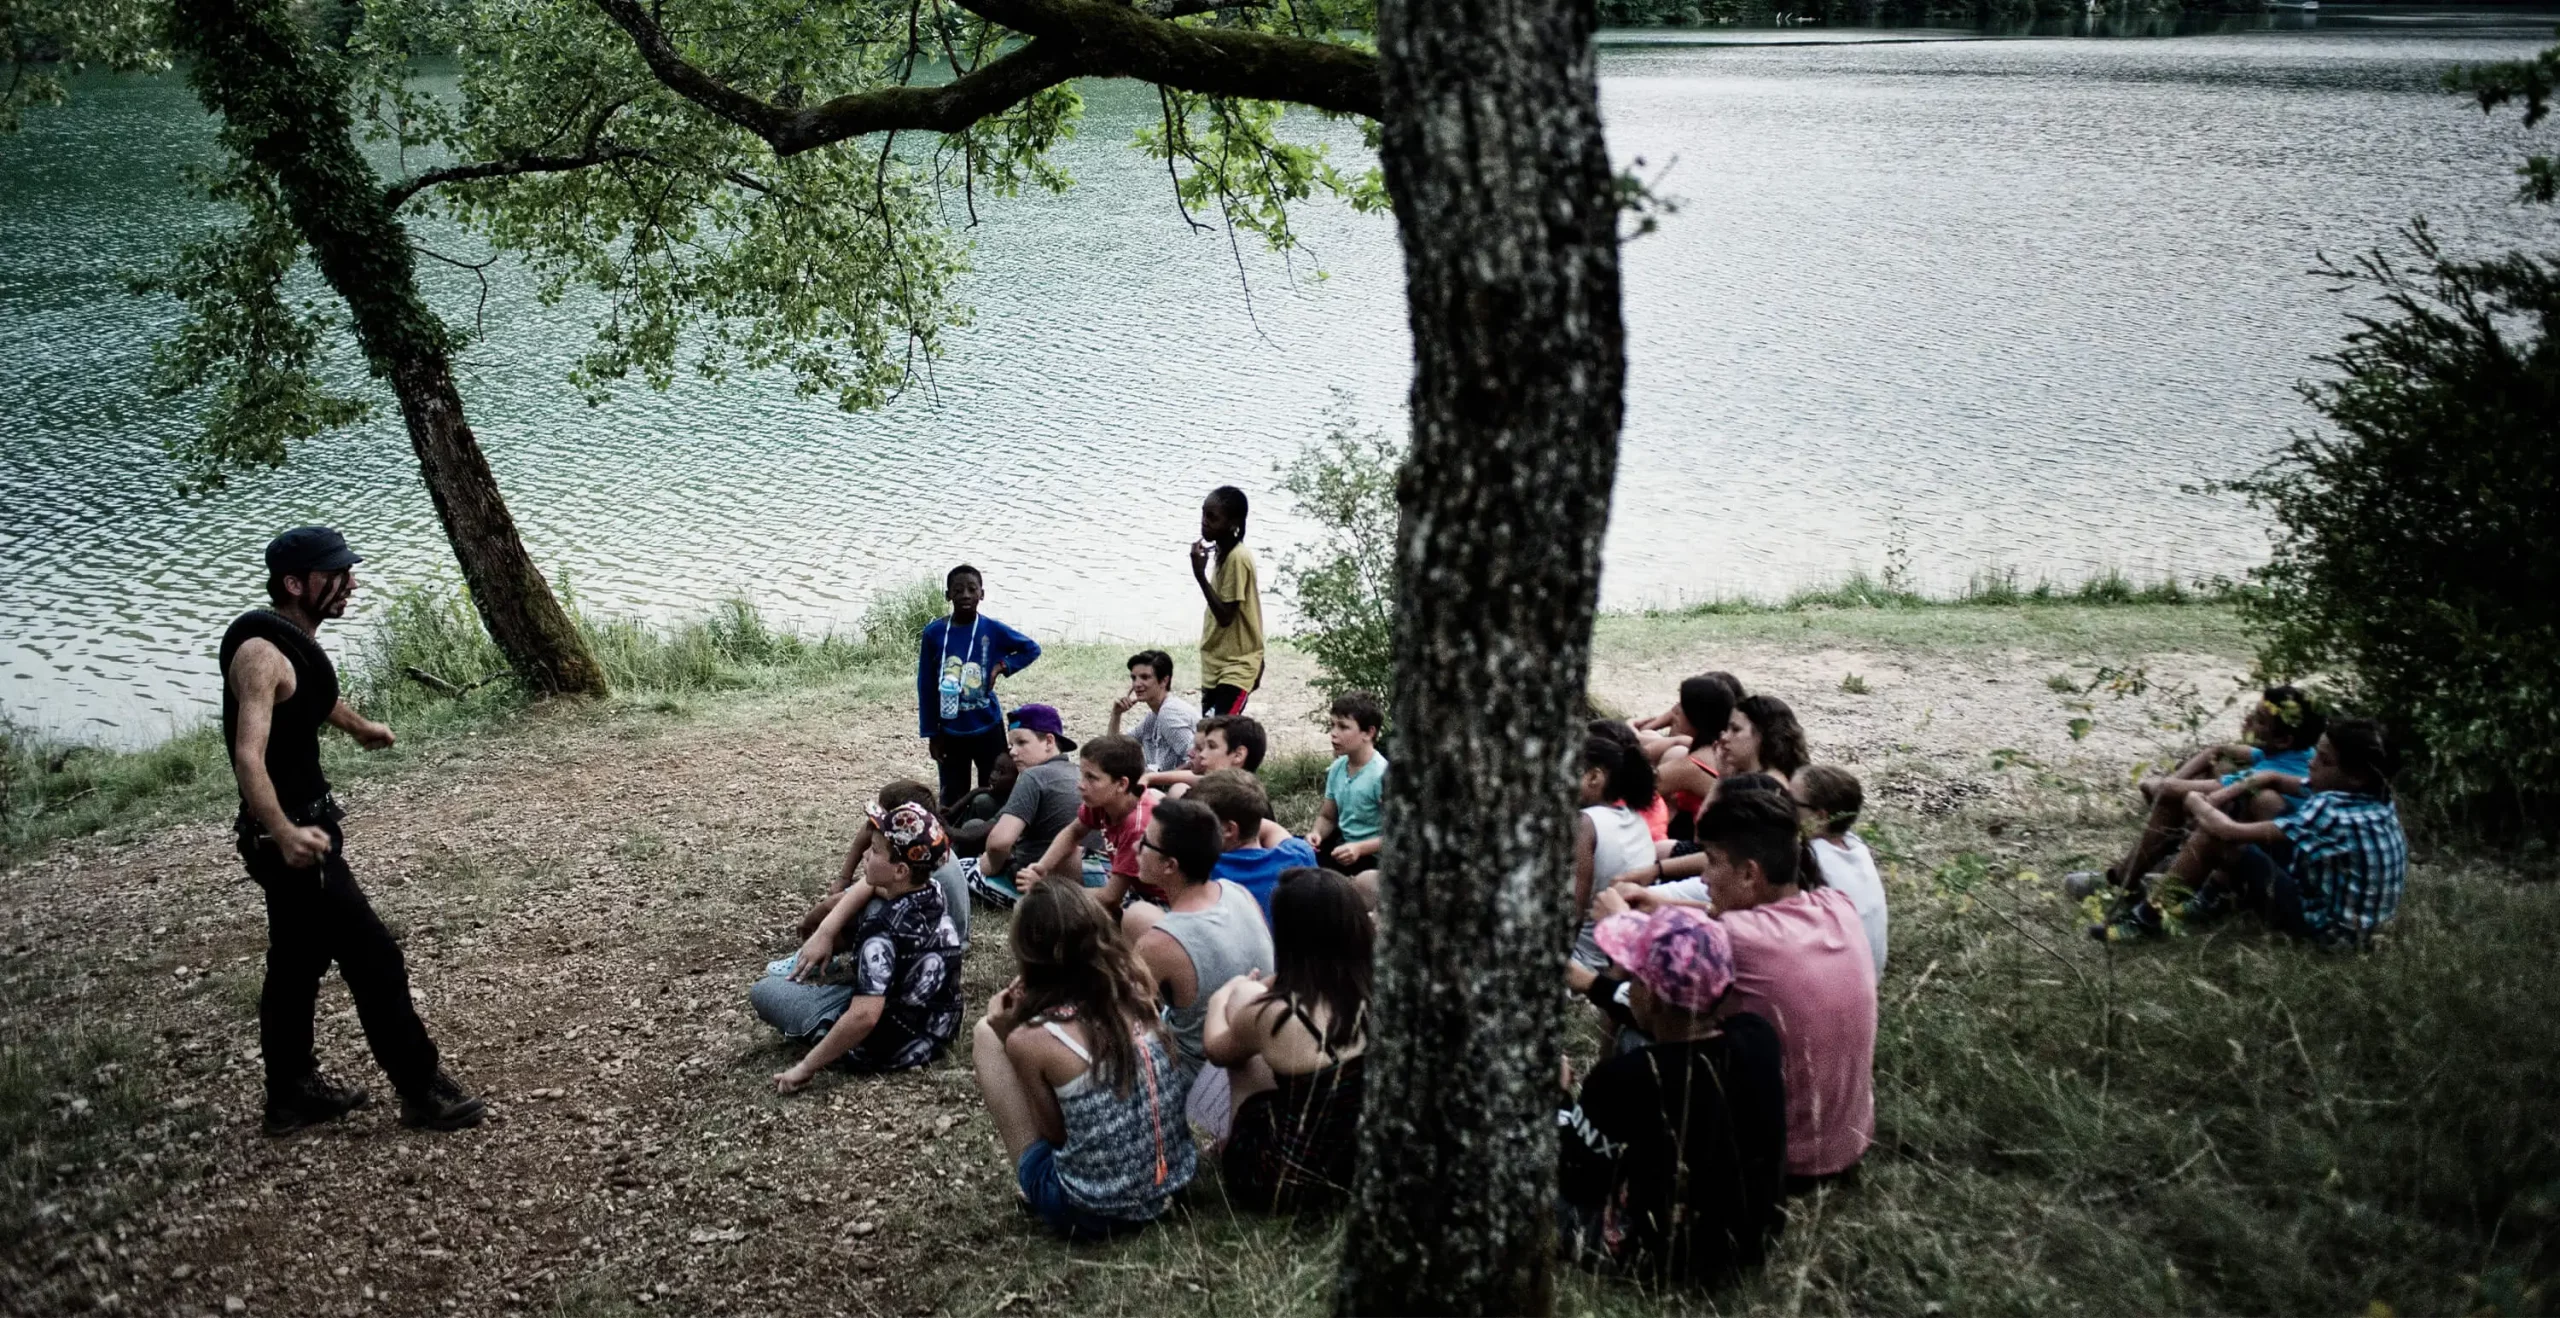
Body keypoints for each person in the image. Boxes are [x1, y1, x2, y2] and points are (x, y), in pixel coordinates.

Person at [220, 526, 483, 1134]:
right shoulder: (260, 655)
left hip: (297, 835)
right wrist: (285, 832)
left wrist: (360, 727)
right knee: (374, 958)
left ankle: (290, 1096)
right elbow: (248, 757)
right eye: (336, 574)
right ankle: (421, 1089)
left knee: (296, 960)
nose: (351, 584)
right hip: (290, 844)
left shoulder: (289, 644)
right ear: (295, 583)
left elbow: (309, 695)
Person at [1599, 789, 1875, 1187]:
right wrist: (1659, 903)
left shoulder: (1733, 938)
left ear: (1749, 873)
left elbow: (1649, 979)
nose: (1705, 878)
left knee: (1638, 1032)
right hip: (1847, 1142)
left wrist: (1620, 918)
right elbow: (1735, 924)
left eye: (1712, 862)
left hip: (1783, 1163)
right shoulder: (1836, 905)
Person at [1558, 906, 1787, 1283]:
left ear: (1654, 999)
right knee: (1634, 1038)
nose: (1629, 982)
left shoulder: (1625, 1080)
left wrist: (1561, 1101)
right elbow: (1672, 1025)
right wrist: (1596, 986)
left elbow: (1573, 1175)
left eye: (1636, 977)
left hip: (1660, 1263)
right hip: (1748, 1242)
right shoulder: (1758, 1036)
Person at [970, 882, 1198, 1240]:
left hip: (1092, 1213)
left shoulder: (1031, 1040)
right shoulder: (1136, 991)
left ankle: (1034, 1192)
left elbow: (1055, 1135)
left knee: (985, 1033)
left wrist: (1007, 1032)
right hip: (1172, 1185)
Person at [2100, 718, 2407, 948]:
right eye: (2316, 753)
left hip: (2328, 932)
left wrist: (2196, 802)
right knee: (2262, 801)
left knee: (2214, 838)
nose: (2311, 763)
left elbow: (2228, 831)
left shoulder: (2333, 810)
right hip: (2358, 923)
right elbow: (2271, 777)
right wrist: (2220, 797)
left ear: (2355, 776)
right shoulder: (2372, 797)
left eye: (2324, 760)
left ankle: (2146, 919)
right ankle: (2207, 897)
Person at [754, 802, 967, 1091]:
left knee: (765, 991)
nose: (865, 854)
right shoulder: (932, 891)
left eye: (875, 851)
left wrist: (806, 1067)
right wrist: (827, 930)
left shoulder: (880, 930)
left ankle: (827, 1034)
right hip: (937, 1032)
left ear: (900, 870)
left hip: (887, 1048)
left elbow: (864, 1017)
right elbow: (875, 886)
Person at [1203, 867, 1372, 1215]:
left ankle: (1231, 1144)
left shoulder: (1277, 1015)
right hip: (1357, 1168)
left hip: (1284, 1186)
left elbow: (1217, 1051)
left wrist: (1223, 998)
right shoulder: (1378, 985)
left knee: (1242, 1036)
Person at [2073, 685, 2326, 899]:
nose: (2247, 720)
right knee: (2218, 770)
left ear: (2283, 740)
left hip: (2285, 876)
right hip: (2272, 856)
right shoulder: (2301, 754)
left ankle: (2125, 881)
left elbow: (2166, 790)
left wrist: (2160, 788)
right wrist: (2172, 784)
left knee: (2183, 797)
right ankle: (2153, 875)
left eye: (2259, 720)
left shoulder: (2274, 767)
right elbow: (2217, 750)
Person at [1124, 797, 1275, 1138]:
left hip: (1206, 1083)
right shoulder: (1236, 892)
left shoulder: (1161, 942)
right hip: (1257, 1057)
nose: (1136, 845)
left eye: (1146, 842)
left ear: (1169, 866)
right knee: (1137, 915)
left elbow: (1121, 1020)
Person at [918, 564, 1043, 808]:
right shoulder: (934, 634)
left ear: (981, 594)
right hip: (950, 729)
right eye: (958, 590)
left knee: (995, 787)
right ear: (948, 595)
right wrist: (932, 734)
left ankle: (993, 833)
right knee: (953, 793)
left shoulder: (992, 629)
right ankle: (954, 837)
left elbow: (1031, 648)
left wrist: (1001, 666)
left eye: (971, 589)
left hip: (987, 725)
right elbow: (926, 686)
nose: (965, 595)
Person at [800, 779, 971, 953]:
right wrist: (844, 877)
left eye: (874, 850)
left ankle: (815, 955)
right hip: (943, 936)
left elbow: (840, 901)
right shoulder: (927, 844)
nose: (866, 853)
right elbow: (868, 832)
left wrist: (816, 926)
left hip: (934, 946)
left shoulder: (921, 869)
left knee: (868, 910)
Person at [1017, 735, 1165, 908]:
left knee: (1131, 916)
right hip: (1127, 880)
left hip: (1158, 901)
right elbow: (1073, 832)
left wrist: (1049, 890)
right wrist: (1042, 868)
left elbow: (1111, 897)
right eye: (1082, 775)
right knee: (1064, 856)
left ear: (1122, 784)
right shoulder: (1104, 800)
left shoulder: (1138, 825)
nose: (1081, 784)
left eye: (1091, 777)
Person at [961, 704, 1084, 910]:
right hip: (1078, 883)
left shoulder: (1033, 776)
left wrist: (990, 866)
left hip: (1035, 881)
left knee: (957, 869)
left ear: (1049, 741)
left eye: (1021, 743)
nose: (1013, 752)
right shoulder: (1080, 773)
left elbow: (999, 843)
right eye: (1010, 745)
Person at [1571, 731, 1660, 971]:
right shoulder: (1635, 820)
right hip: (1617, 956)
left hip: (1583, 959)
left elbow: (1574, 911)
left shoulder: (1586, 823)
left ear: (1594, 777)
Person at [1792, 765, 1887, 978]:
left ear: (1821, 816)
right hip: (1868, 978)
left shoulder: (1810, 859)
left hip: (1835, 982)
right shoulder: (1854, 845)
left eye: (1792, 802)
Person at [1190, 769, 1317, 922]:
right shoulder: (1299, 856)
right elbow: (1273, 830)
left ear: (1229, 830)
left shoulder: (1202, 872)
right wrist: (1249, 816)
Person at [1192, 486, 1265, 716]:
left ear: (1233, 523)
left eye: (1212, 517)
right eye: (1203, 514)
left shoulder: (1237, 557)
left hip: (1236, 668)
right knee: (1209, 737)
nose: (1204, 521)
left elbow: (1225, 616)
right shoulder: (1222, 552)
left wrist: (1200, 576)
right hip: (1215, 664)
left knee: (1219, 735)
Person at [1307, 691, 1389, 875]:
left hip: (1373, 859)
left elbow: (1399, 836)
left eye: (1343, 727)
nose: (1333, 734)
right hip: (1342, 846)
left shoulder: (1381, 775)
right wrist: (1316, 834)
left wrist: (1360, 848)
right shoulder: (1338, 768)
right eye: (1332, 725)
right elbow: (1328, 817)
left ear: (1368, 733)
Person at [1112, 649, 1200, 776]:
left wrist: (1155, 779)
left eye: (1145, 677)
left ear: (1164, 681)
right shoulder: (1154, 716)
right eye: (1134, 678)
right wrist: (1116, 715)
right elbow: (1115, 751)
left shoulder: (1169, 714)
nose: (1136, 684)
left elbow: (1196, 761)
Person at [1142, 714, 1268, 797]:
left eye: (1211, 746)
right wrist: (1150, 778)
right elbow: (1194, 778)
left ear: (1238, 755)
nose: (1201, 754)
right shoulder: (1238, 789)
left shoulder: (1222, 804)